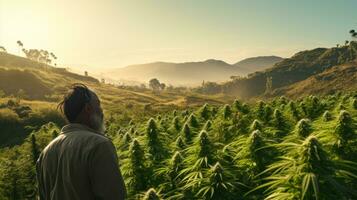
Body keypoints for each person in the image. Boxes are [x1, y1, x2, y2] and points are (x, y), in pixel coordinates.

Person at [36, 84, 126, 200]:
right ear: (88, 109)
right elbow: (114, 196)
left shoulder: (46, 152)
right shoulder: (99, 145)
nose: (102, 111)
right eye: (98, 105)